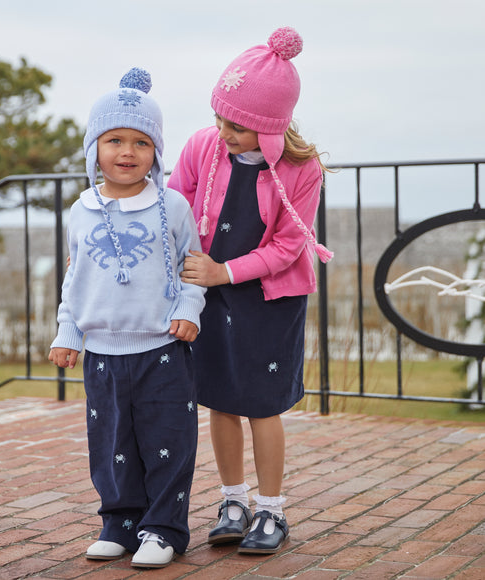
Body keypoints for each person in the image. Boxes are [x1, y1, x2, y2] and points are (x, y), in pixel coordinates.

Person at [168, 27, 332, 555]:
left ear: (269, 125)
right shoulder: (202, 146)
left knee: (262, 404)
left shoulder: (302, 169)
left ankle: (271, 510)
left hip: (269, 299)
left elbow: (288, 247)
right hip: (211, 294)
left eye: (237, 126)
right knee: (219, 400)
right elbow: (175, 210)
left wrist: (225, 272)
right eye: (221, 118)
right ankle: (233, 501)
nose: (224, 131)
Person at [49, 68, 206, 569]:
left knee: (167, 443)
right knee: (111, 443)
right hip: (101, 352)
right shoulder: (82, 209)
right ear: (94, 146)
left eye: (141, 142)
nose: (127, 151)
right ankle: (119, 522)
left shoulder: (173, 206)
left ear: (155, 152)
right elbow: (74, 279)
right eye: (114, 139)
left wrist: (187, 310)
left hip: (162, 348)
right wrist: (67, 330)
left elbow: (193, 269)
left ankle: (162, 528)